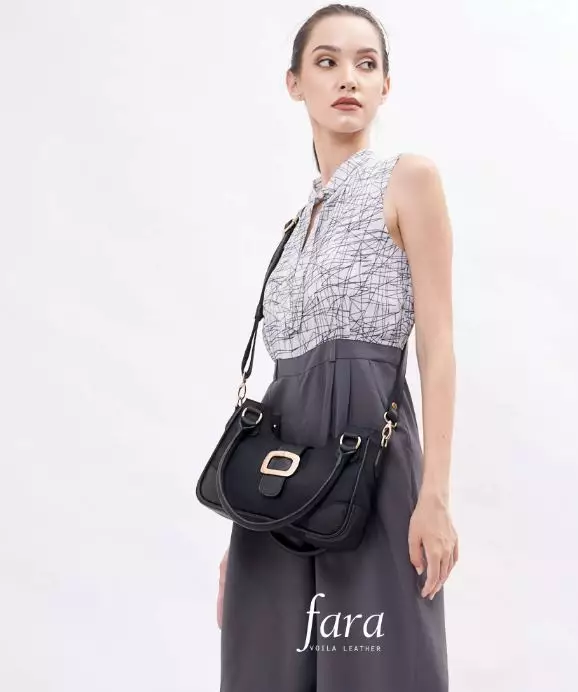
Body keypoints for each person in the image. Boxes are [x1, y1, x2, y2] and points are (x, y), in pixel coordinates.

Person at [215, 4, 458, 691]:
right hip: (279, 489)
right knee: (264, 673)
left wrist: (434, 496)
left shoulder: (408, 179)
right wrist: (245, 520)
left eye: (366, 63)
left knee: (377, 668)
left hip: (372, 471)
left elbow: (438, 344)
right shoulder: (294, 226)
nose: (348, 77)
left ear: (385, 86)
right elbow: (278, 382)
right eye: (327, 62)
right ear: (294, 83)